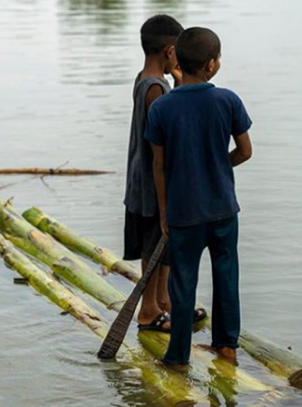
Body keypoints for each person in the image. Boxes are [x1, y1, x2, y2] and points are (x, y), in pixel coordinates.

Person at [145, 27, 253, 365]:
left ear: (178, 59)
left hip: (183, 211)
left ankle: (178, 355)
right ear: (210, 65)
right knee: (226, 276)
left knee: (183, 283)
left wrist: (164, 211)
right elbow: (245, 151)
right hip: (222, 209)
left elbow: (159, 166)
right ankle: (226, 347)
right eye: (218, 58)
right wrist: (220, 167)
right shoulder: (228, 100)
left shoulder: (162, 108)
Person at [123, 15, 207, 333]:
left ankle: (166, 303)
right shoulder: (156, 88)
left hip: (142, 179)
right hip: (151, 183)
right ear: (171, 51)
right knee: (153, 247)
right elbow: (172, 131)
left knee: (163, 245)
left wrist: (174, 77)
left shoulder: (146, 79)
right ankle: (148, 312)